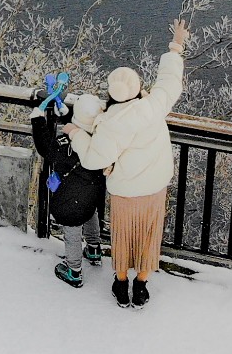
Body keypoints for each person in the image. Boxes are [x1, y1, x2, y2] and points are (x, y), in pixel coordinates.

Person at [68, 20, 187, 308]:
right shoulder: (153, 105)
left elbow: (96, 158)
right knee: (148, 235)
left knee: (123, 237)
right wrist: (176, 44)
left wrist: (75, 134)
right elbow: (169, 82)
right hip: (154, 187)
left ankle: (121, 285)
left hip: (125, 191)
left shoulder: (110, 123)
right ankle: (142, 285)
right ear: (138, 87)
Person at [30, 79, 106, 288]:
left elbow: (46, 148)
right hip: (91, 194)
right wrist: (64, 114)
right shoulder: (101, 139)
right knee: (91, 215)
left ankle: (74, 271)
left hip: (71, 199)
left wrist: (38, 121)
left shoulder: (67, 146)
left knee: (72, 229)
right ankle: (94, 249)